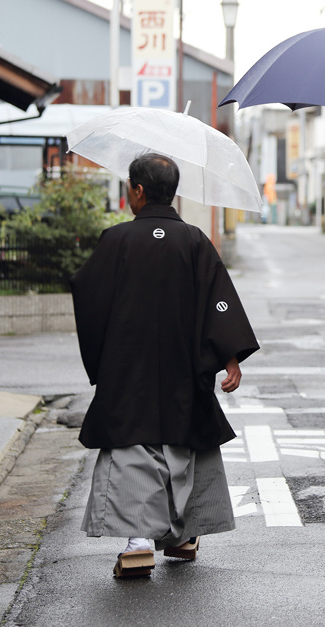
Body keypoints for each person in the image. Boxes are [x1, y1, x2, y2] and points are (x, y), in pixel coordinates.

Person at [70, 153, 259, 579]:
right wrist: (229, 356)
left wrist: (105, 354)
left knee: (134, 446)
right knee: (182, 446)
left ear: (137, 191)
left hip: (127, 366)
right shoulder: (194, 241)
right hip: (183, 365)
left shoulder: (115, 240)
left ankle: (139, 542)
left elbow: (88, 293)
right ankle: (180, 535)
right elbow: (219, 301)